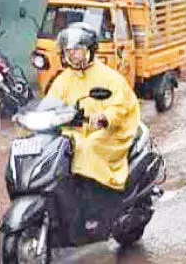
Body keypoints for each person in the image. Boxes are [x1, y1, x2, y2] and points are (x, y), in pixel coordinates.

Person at [46, 22, 141, 192]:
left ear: (89, 50)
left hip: (109, 132)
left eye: (76, 49)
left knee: (87, 147)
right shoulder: (63, 79)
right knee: (58, 147)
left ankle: (98, 193)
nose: (72, 54)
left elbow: (119, 107)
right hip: (76, 131)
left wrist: (105, 117)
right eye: (68, 50)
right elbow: (50, 103)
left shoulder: (110, 77)